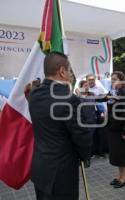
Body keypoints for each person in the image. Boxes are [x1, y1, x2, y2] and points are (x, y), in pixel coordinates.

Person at [28, 52, 92, 200]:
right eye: (70, 71)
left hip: (40, 168)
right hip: (61, 173)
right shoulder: (69, 99)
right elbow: (82, 135)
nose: (71, 75)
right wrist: (84, 156)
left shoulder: (34, 94)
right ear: (62, 71)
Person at [105, 71, 125, 188]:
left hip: (121, 129)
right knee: (116, 154)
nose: (113, 81)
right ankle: (120, 175)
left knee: (122, 154)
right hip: (112, 127)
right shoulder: (112, 92)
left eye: (115, 79)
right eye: (111, 79)